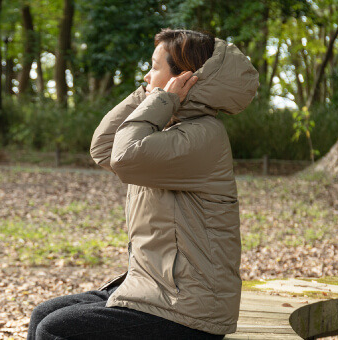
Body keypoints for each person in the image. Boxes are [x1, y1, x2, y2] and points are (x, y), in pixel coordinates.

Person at [27, 28, 259, 340]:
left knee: (56, 331)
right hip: (153, 290)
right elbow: (102, 148)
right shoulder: (171, 125)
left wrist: (163, 98)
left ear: (183, 77)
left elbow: (123, 157)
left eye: (153, 67)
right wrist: (149, 95)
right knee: (43, 313)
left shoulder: (203, 136)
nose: (146, 76)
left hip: (189, 311)